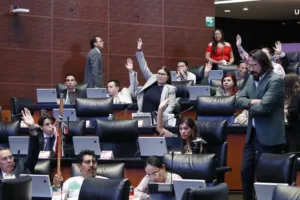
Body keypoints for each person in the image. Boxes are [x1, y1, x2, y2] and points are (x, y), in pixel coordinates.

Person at [236, 49, 286, 200]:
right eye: (249, 65)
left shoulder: (275, 80)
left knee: (266, 178)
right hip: (252, 136)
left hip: (270, 137)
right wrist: (252, 101)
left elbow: (264, 107)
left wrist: (249, 107)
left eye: (254, 65)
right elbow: (238, 99)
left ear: (264, 64)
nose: (250, 69)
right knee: (245, 172)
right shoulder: (251, 78)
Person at [135, 38, 176, 115]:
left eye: (163, 74)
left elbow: (171, 106)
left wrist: (161, 118)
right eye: (158, 73)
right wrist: (139, 51)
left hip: (157, 118)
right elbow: (144, 68)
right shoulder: (152, 79)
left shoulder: (170, 89)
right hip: (143, 115)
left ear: (167, 77)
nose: (160, 76)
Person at [0, 108, 40, 179]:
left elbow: (33, 151)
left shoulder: (23, 167)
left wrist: (32, 128)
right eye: (4, 159)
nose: (9, 161)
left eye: (10, 157)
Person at [284, 73, 300, 152]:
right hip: (294, 130)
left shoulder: (296, 93)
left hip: (295, 131)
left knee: (292, 154)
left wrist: (278, 111)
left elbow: (292, 111)